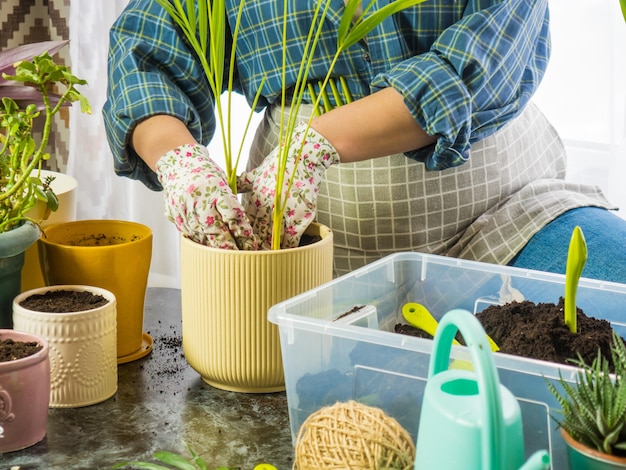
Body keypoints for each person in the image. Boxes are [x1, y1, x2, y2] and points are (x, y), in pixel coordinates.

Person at [103, 0, 626, 284]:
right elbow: (149, 39)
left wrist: (314, 144)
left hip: (505, 222)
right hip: (296, 250)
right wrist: (180, 163)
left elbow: (486, 53)